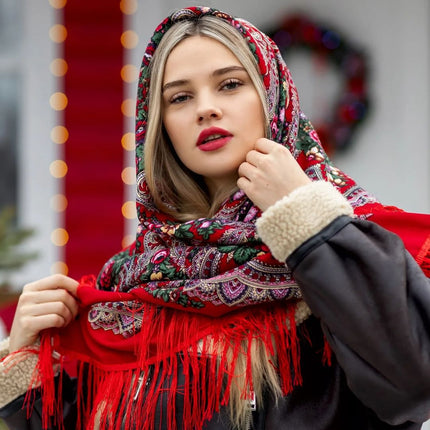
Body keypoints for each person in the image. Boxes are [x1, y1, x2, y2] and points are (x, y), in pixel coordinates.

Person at [1, 6, 430, 430]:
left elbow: (414, 384)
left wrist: (306, 220)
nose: (205, 108)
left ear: (272, 95)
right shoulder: (135, 279)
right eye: (180, 97)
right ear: (160, 124)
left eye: (229, 84)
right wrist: (23, 365)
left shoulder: (361, 243)